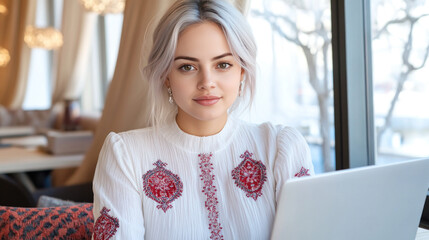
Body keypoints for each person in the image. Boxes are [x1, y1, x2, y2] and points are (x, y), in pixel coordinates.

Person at [92, 0, 315, 239]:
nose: (207, 82)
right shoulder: (125, 155)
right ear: (166, 75)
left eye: (223, 64)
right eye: (187, 67)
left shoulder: (282, 148)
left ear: (242, 70)